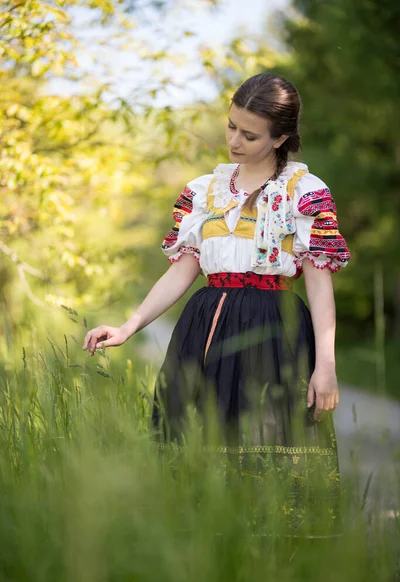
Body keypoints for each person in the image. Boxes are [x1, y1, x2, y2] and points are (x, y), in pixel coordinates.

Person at [82, 73, 350, 536]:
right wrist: (129, 326)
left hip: (273, 325)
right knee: (192, 437)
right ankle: (196, 551)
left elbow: (319, 284)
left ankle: (273, 557)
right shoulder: (205, 191)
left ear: (280, 137)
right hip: (202, 326)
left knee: (265, 442)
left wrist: (325, 364)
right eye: (231, 127)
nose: (234, 141)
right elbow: (183, 269)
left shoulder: (302, 193)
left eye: (250, 135)